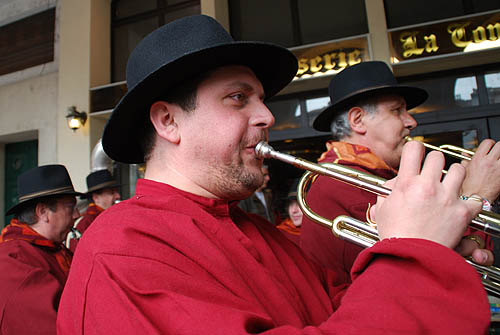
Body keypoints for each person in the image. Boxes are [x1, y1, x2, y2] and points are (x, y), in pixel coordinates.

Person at [57, 15, 490, 334]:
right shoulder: (122, 248)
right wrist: (412, 252)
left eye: (261, 100)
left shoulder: (260, 232)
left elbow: (342, 309)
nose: (266, 115)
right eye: (237, 98)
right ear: (169, 122)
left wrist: (437, 247)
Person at [300, 61, 499, 287]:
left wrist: (472, 238)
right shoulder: (339, 184)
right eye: (397, 110)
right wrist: (475, 196)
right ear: (358, 120)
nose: (411, 121)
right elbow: (410, 275)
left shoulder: (377, 175)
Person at [0, 164, 81, 334]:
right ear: (43, 212)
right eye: (70, 206)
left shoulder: (55, 250)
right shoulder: (14, 261)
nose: (77, 215)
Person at [68, 169, 120, 252]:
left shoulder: (113, 218)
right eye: (112, 193)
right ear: (96, 198)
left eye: (117, 192)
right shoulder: (85, 224)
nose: (118, 196)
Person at [276, 179, 302, 244]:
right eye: (291, 204)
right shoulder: (280, 233)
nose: (294, 210)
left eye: (299, 204)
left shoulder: (320, 232)